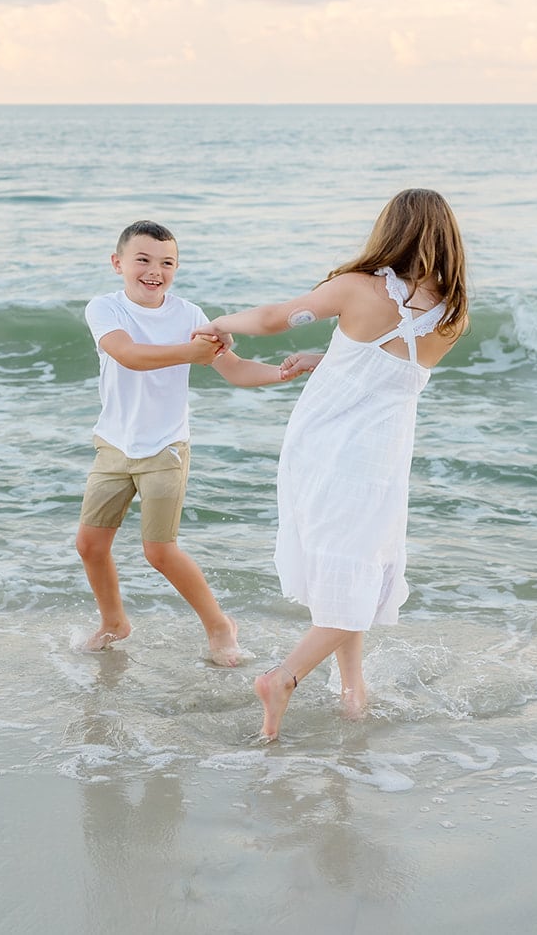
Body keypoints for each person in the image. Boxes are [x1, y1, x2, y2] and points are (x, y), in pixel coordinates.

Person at [202, 189, 469, 740]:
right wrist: (327, 359)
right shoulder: (452, 314)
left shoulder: (358, 287)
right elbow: (393, 373)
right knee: (356, 564)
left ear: (391, 231)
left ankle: (288, 678)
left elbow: (275, 318)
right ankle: (348, 690)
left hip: (325, 445)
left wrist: (220, 321)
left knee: (350, 569)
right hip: (380, 459)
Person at [77, 219, 292, 667]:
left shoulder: (189, 315)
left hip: (165, 447)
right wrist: (190, 353)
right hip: (114, 444)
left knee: (159, 551)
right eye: (143, 260)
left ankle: (220, 626)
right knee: (90, 545)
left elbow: (235, 369)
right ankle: (114, 622)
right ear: (118, 263)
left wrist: (283, 372)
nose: (155, 271)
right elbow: (128, 355)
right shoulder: (105, 308)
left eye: (167, 263)